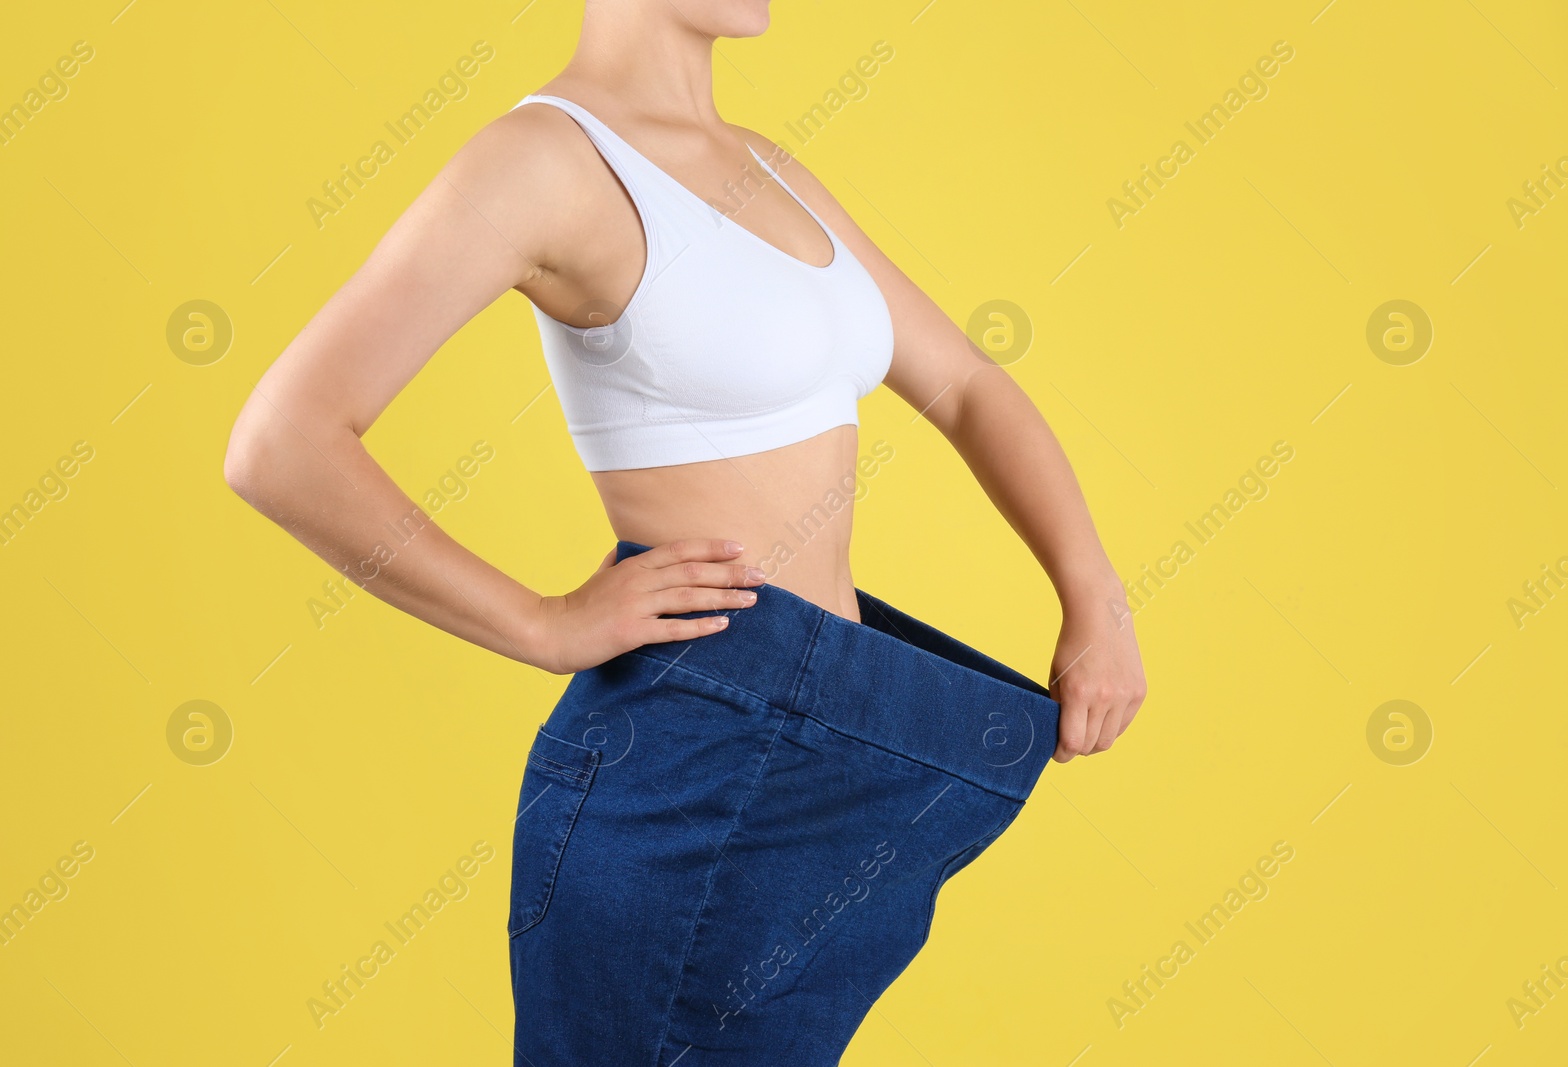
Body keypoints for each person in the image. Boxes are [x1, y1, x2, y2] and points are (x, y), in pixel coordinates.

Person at [224, 0, 1146, 1061]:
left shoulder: (768, 166)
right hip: (693, 757)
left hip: (832, 739)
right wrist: (540, 622)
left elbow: (967, 384)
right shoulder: (543, 159)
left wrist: (1096, 602)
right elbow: (280, 441)